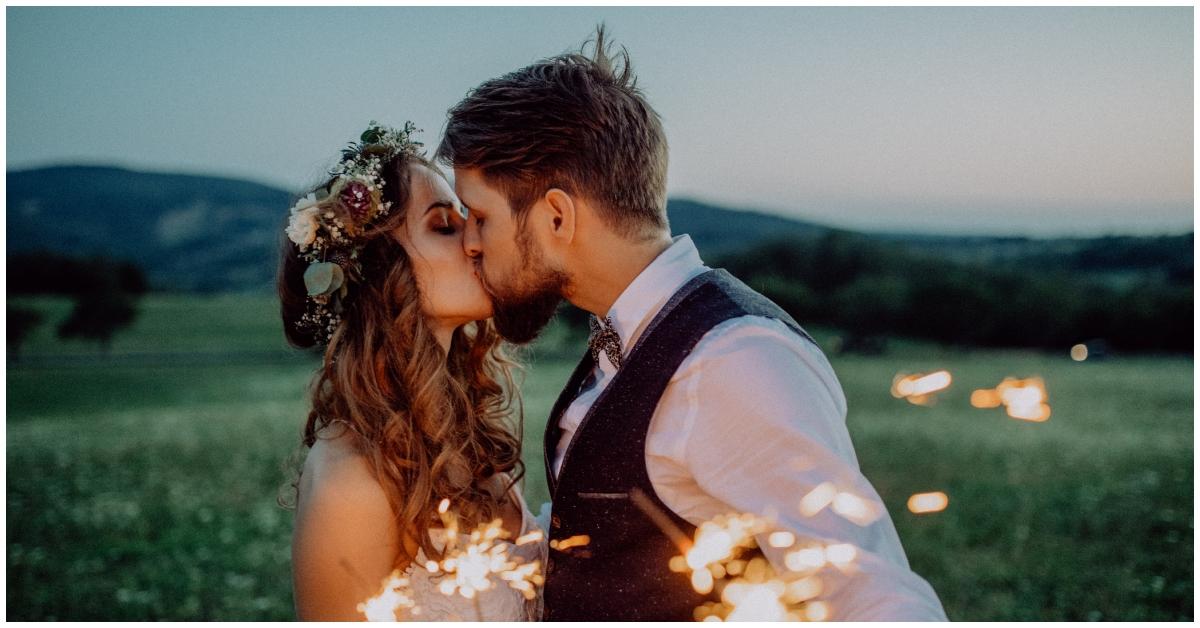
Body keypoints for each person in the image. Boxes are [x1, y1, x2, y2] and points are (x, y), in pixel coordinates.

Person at [436, 28, 948, 621]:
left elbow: (867, 592)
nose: (471, 243)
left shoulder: (735, 359)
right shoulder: (631, 329)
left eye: (480, 217)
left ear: (556, 216)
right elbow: (616, 540)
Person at [278, 122, 544, 621]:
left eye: (468, 217)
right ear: (379, 274)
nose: (476, 239)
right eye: (444, 226)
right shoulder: (350, 481)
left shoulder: (474, 438)